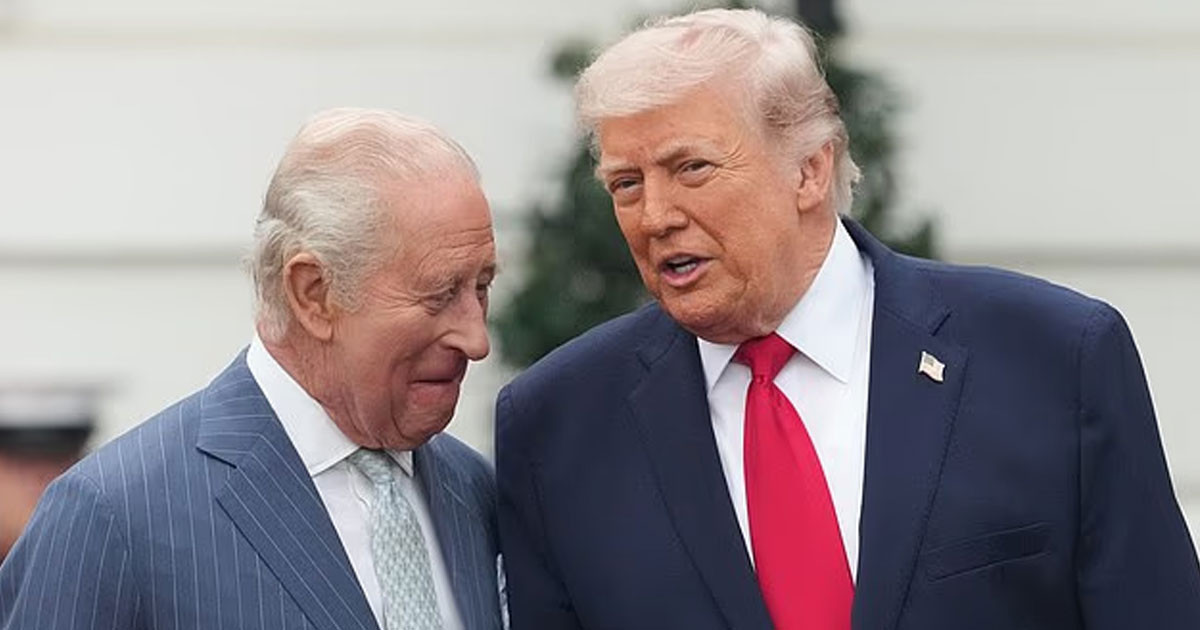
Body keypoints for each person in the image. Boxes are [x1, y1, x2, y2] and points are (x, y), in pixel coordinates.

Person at [495, 9, 1200, 630]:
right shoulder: (558, 425)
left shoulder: (1051, 358)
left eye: (693, 169)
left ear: (809, 169)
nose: (654, 216)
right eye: (626, 184)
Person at [0, 108, 506, 630]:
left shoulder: (477, 491)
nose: (476, 340)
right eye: (439, 294)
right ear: (313, 294)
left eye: (481, 288)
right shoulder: (115, 515)